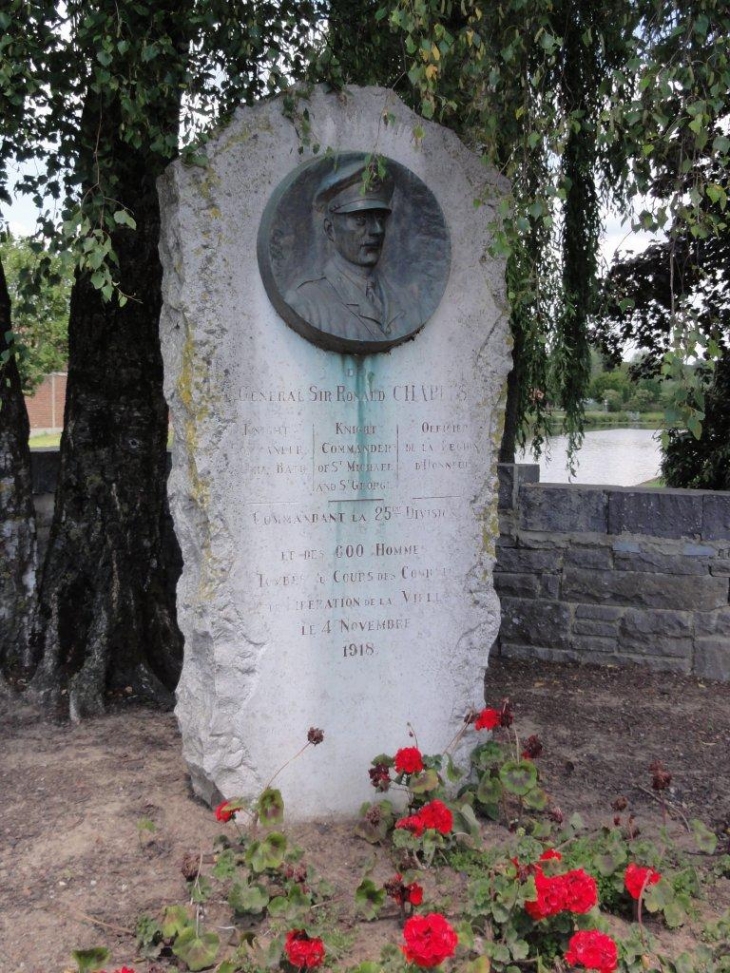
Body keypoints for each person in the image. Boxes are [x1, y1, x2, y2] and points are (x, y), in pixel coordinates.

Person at [286, 160, 419, 343]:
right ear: (330, 229)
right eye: (360, 220)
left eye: (380, 218)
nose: (377, 230)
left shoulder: (407, 302)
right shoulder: (307, 303)